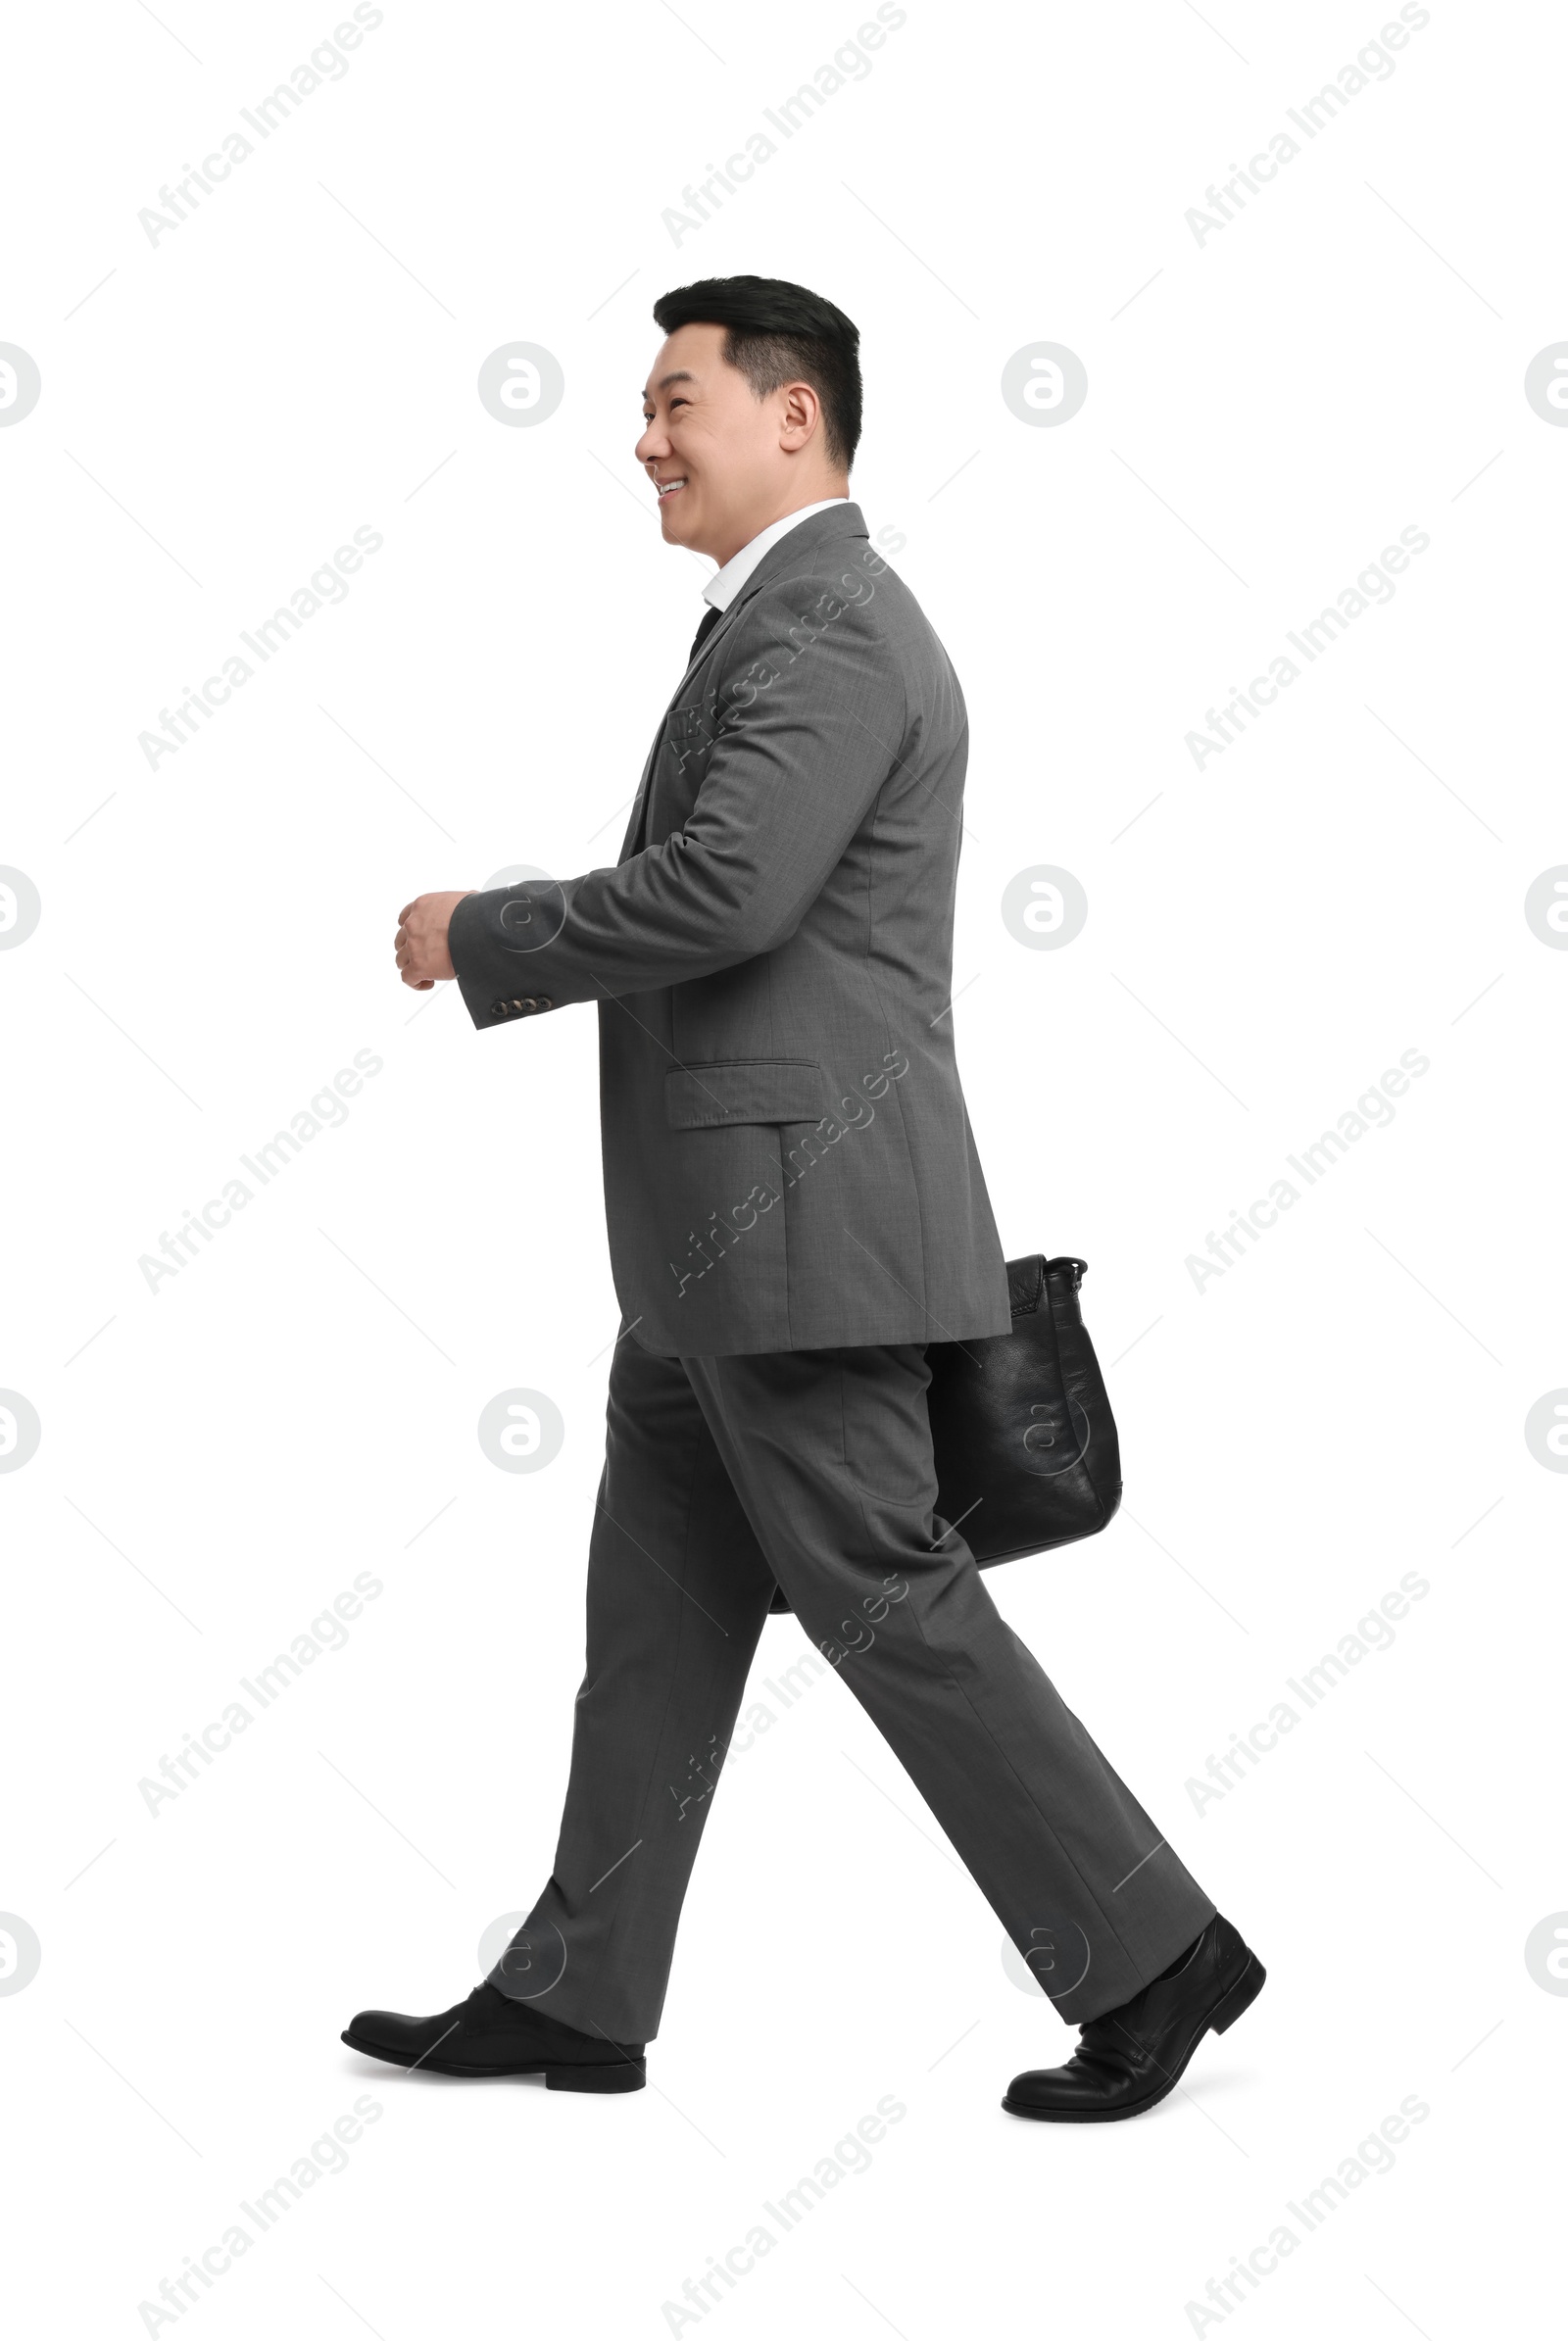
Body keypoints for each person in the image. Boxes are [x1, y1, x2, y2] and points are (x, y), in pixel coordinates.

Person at [349, 274, 1263, 2119]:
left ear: (794, 416)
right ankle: (581, 1987)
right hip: (722, 1248)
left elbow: (727, 895)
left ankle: (1157, 1952)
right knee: (658, 1616)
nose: (644, 434)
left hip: (797, 1238)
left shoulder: (831, 622)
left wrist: (491, 930)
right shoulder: (777, 621)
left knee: (889, 1602)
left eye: (674, 398)